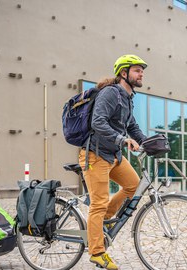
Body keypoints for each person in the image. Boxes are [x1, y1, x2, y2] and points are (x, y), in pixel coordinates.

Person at [79, 54, 148, 270]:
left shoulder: (127, 98)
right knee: (98, 203)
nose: (141, 73)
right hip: (95, 155)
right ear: (124, 73)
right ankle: (97, 253)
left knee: (133, 185)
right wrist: (122, 139)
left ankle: (104, 221)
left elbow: (133, 128)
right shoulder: (110, 93)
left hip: (114, 156)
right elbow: (97, 122)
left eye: (142, 70)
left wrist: (150, 143)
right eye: (137, 70)